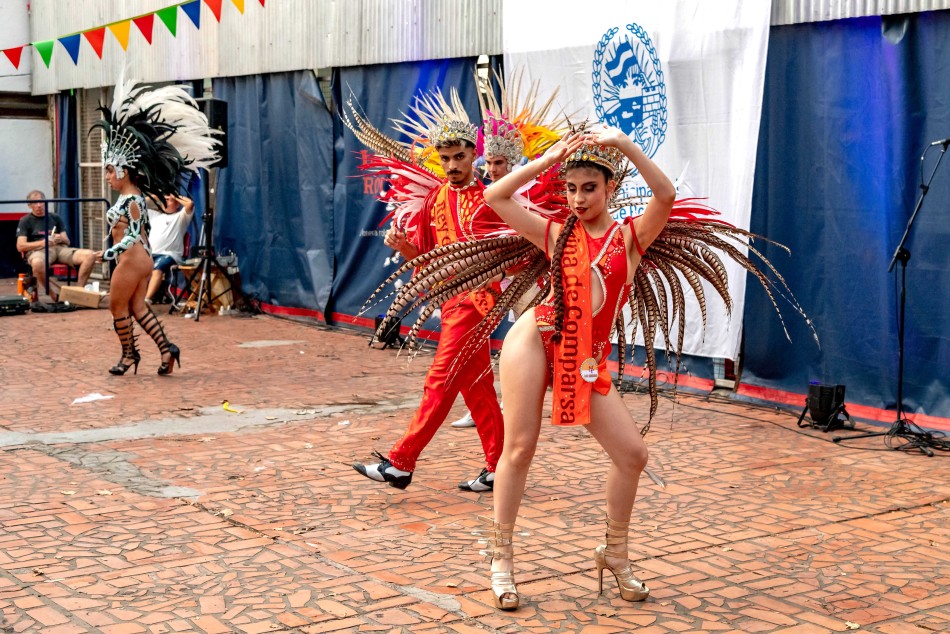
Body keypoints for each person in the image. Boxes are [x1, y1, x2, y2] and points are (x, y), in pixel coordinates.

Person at [479, 126, 675, 610]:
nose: (578, 198)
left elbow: (665, 195)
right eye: (570, 188)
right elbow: (495, 196)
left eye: (590, 188)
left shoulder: (629, 239)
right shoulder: (555, 234)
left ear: (611, 188)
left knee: (632, 455)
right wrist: (549, 160)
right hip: (535, 341)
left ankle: (615, 553)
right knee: (519, 447)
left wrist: (624, 145)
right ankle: (501, 560)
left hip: (584, 360)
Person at [350, 90, 507, 493]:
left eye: (460, 156)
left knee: (440, 380)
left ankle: (401, 462)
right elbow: (428, 261)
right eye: (446, 158)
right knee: (477, 389)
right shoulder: (435, 200)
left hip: (477, 302)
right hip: (451, 302)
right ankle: (499, 467)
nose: (452, 165)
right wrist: (405, 248)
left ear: (474, 154)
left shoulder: (491, 199)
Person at [93, 79, 219, 376]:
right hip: (140, 258)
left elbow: (133, 235)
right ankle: (167, 350)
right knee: (138, 308)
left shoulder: (132, 201)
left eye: (110, 171)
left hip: (132, 259)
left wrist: (109, 253)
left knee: (117, 307)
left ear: (123, 170)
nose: (108, 176)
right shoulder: (132, 198)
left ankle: (128, 356)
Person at [15, 190, 100, 299]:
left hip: (59, 248)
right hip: (39, 250)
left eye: (41, 202)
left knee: (90, 255)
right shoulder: (25, 220)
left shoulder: (55, 217)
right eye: (35, 202)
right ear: (29, 205)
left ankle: (78, 293)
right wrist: (42, 242)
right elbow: (20, 246)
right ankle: (53, 295)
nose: (39, 205)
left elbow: (67, 241)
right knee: (37, 263)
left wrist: (59, 238)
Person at [145, 193, 194, 304]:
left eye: (169, 200)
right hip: (151, 253)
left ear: (177, 204)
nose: (165, 202)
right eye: (164, 200)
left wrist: (174, 196)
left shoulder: (181, 217)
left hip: (170, 254)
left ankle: (146, 300)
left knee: (157, 268)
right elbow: (137, 203)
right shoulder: (155, 215)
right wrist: (156, 196)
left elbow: (189, 203)